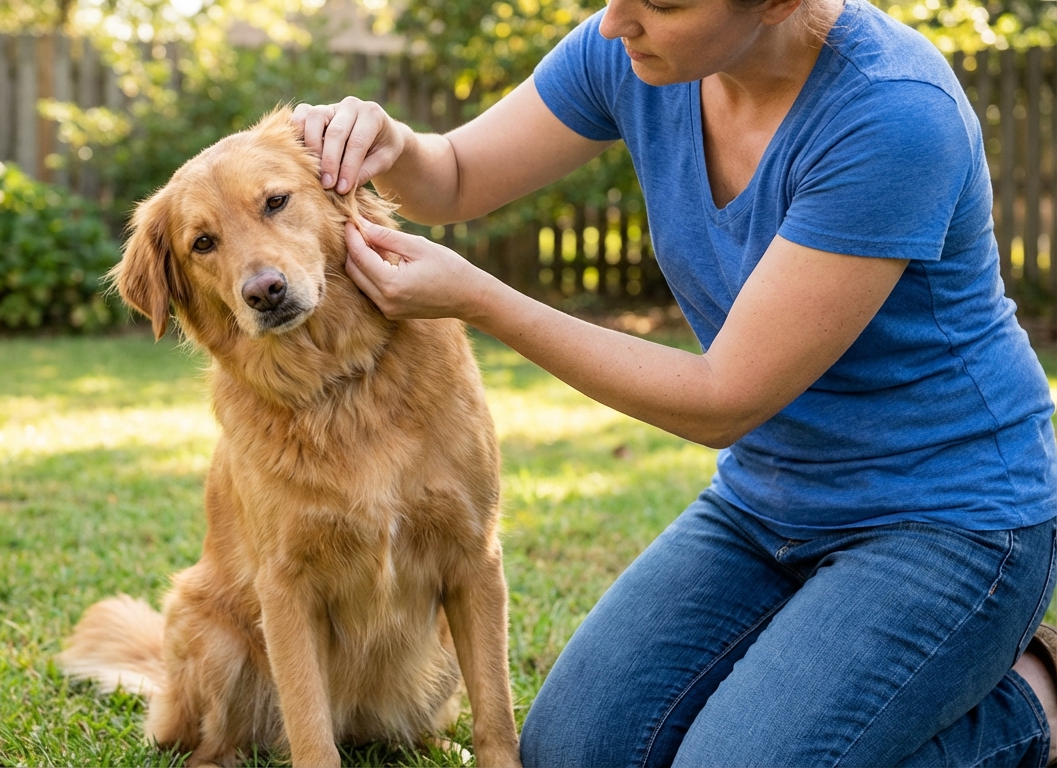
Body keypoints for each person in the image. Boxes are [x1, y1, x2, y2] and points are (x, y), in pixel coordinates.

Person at [292, 0, 1057, 762]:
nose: (617, 20)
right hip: (768, 501)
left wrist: (482, 299)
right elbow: (454, 178)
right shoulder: (630, 52)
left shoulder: (893, 113)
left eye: (662, 2)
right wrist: (391, 143)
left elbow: (726, 399)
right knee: (574, 752)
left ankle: (1033, 704)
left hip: (949, 518)